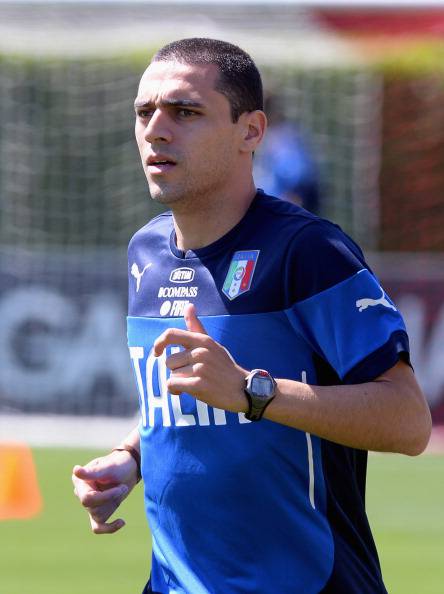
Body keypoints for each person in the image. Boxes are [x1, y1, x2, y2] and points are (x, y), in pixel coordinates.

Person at [72, 38, 431, 594]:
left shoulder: (309, 253)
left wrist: (251, 391)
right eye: (145, 112)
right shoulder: (145, 252)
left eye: (185, 112)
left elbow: (409, 422)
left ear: (251, 131)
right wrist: (131, 457)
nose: (156, 130)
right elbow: (193, 397)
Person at [253, 93, 321, 213]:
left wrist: (293, 197)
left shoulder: (283, 137)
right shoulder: (273, 135)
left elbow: (297, 174)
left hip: (288, 203)